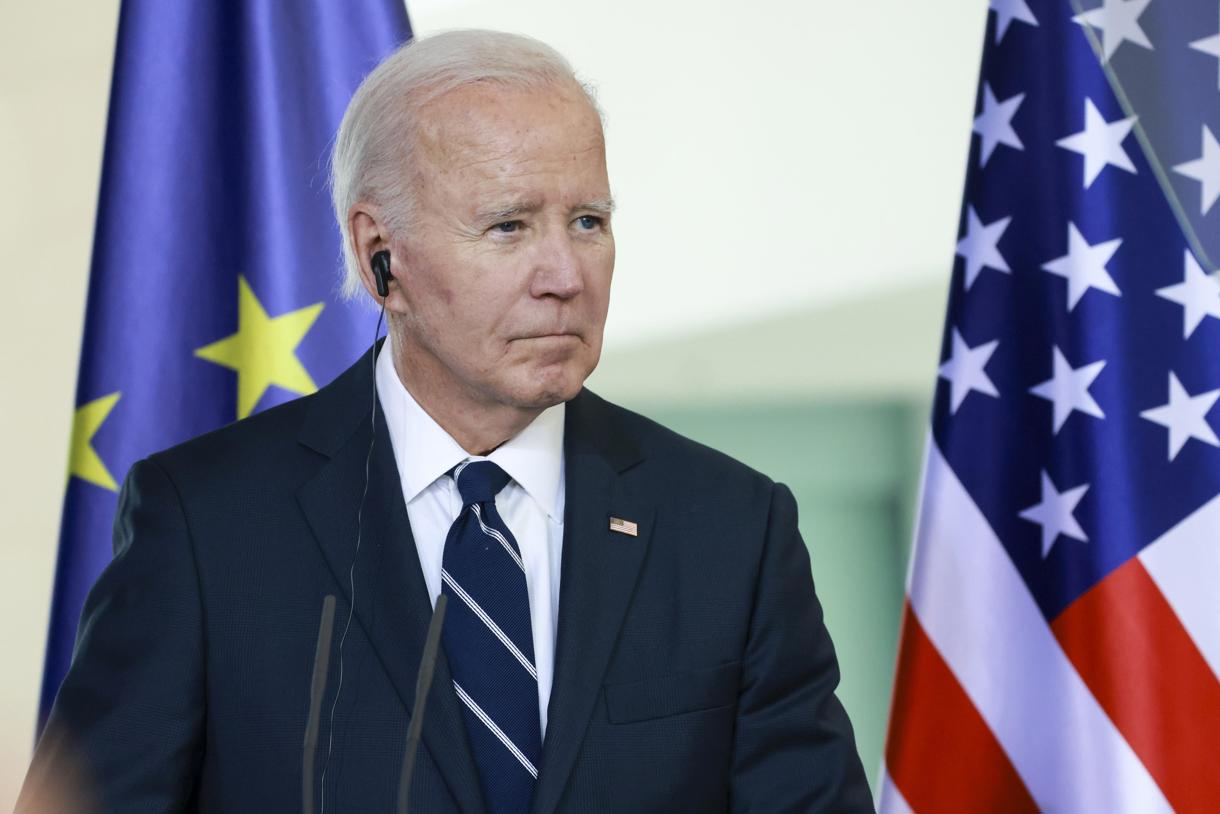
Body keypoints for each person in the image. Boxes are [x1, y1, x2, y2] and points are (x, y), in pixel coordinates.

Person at [20, 30, 872, 813]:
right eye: (508, 226)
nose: (565, 275)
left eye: (588, 222)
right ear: (378, 258)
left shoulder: (730, 526)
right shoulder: (206, 525)